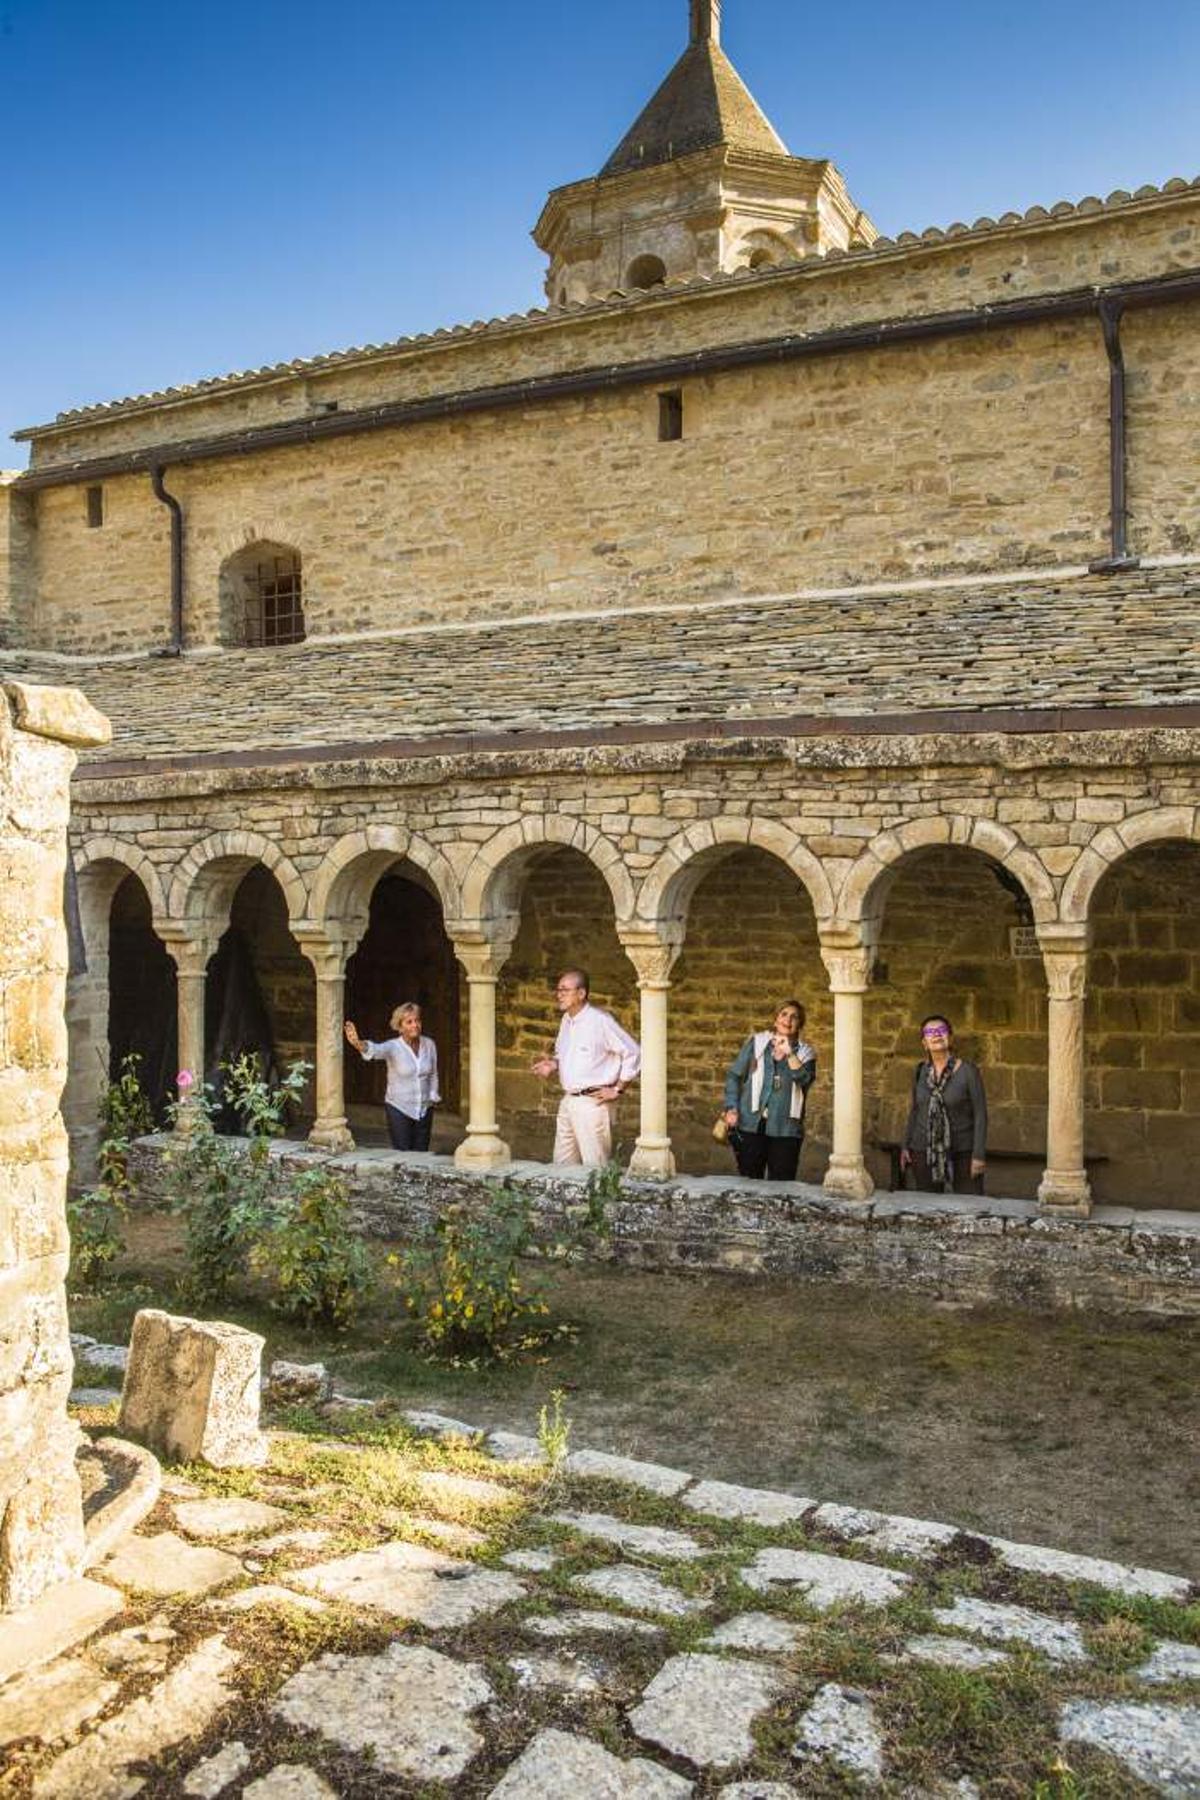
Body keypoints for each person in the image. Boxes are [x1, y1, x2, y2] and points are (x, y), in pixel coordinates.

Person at [531, 968, 640, 1167]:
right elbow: (566, 1054)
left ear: (581, 994)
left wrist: (618, 1089)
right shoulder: (567, 1020)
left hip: (592, 1104)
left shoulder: (600, 1021)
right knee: (562, 1168)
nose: (559, 994)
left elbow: (633, 1052)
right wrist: (553, 1064)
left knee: (595, 1168)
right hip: (568, 1102)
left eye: (565, 990)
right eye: (558, 989)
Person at [723, 1000, 818, 1181]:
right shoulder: (757, 1044)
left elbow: (804, 1080)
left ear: (800, 1024)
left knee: (782, 1185)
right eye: (783, 1014)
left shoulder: (806, 1053)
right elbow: (734, 1076)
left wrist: (789, 1053)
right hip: (750, 1125)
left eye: (794, 1017)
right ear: (775, 1020)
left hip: (786, 1130)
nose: (788, 1020)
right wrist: (731, 1107)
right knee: (749, 1181)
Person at [900, 1014, 987, 1195]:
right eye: (930, 1032)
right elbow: (915, 1110)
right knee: (927, 1206)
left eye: (941, 1030)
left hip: (963, 1150)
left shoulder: (968, 1071)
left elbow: (981, 1114)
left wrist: (978, 1155)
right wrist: (905, 1145)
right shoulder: (920, 1072)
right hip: (923, 1149)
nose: (936, 1035)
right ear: (924, 1042)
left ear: (950, 1037)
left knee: (969, 1206)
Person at [344, 1002, 440, 1151]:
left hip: (424, 1109)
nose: (415, 1025)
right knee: (403, 1154)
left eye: (417, 1020)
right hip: (399, 1108)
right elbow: (375, 1050)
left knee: (421, 1154)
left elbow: (433, 1072)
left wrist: (433, 1094)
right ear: (400, 1027)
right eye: (409, 1022)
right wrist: (357, 1043)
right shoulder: (393, 1047)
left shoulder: (429, 1044)